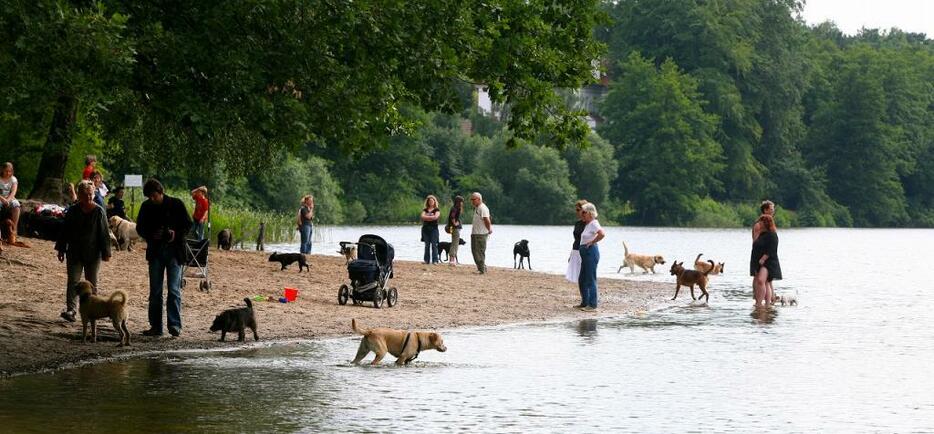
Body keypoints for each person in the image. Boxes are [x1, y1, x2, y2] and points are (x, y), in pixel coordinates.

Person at [136, 179, 192, 337]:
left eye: (153, 195)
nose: (152, 199)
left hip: (175, 252)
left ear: (161, 192)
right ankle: (156, 326)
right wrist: (151, 234)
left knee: (174, 290)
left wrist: (175, 234)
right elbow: (140, 227)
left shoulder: (176, 204)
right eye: (149, 196)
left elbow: (188, 225)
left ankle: (174, 325)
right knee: (155, 292)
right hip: (155, 252)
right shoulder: (146, 207)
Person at [54, 180, 112, 322]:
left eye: (91, 194)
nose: (89, 197)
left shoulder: (99, 211)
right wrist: (61, 248)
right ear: (79, 195)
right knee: (73, 282)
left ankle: (94, 309)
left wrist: (106, 252)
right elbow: (64, 231)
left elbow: (104, 233)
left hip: (93, 253)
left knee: (92, 283)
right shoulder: (73, 211)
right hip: (74, 252)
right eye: (85, 194)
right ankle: (71, 310)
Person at [578, 203, 605, 312]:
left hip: (591, 252)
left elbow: (602, 234)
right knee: (582, 279)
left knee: (590, 279)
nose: (582, 214)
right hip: (586, 253)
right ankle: (585, 302)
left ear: (590, 213)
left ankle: (592, 305)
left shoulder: (594, 223)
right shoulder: (588, 224)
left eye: (584, 212)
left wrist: (592, 242)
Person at [751, 214, 781, 307]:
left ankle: (761, 303)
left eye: (761, 222)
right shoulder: (761, 234)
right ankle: (762, 303)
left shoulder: (772, 235)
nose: (759, 224)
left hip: (769, 262)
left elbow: (772, 249)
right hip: (758, 261)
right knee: (763, 282)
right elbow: (755, 245)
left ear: (766, 223)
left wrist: (764, 258)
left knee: (761, 280)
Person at [752, 200, 777, 302]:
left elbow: (774, 241)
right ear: (765, 210)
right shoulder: (759, 224)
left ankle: (769, 302)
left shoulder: (770, 223)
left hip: (769, 255)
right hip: (759, 254)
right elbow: (755, 242)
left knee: (767, 281)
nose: (773, 211)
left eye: (773, 209)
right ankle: (760, 301)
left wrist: (767, 254)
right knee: (760, 279)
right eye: (771, 209)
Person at [566, 199, 588, 289]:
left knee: (586, 276)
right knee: (578, 276)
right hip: (575, 251)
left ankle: (589, 298)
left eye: (578, 210)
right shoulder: (577, 223)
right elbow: (576, 239)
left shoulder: (589, 223)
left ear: (584, 210)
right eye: (576, 210)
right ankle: (584, 299)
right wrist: (571, 254)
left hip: (585, 251)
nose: (577, 212)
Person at [469, 192, 492, 274]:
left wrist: (489, 229)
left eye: (473, 199)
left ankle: (481, 270)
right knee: (475, 251)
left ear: (479, 199)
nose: (472, 201)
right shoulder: (478, 208)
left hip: (480, 234)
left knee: (479, 252)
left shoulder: (482, 208)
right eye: (471, 199)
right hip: (476, 233)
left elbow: (487, 220)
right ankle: (482, 268)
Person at [0, 162, 21, 235]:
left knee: (16, 205)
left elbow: (13, 192)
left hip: (9, 198)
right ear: (2, 170)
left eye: (10, 171)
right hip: (0, 197)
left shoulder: (13, 179)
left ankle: (14, 229)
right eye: (6, 171)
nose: (8, 173)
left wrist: (8, 200)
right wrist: (3, 199)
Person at [420, 195, 441, 264]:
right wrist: (431, 216)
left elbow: (436, 217)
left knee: (434, 245)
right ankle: (426, 260)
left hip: (434, 229)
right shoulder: (425, 210)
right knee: (427, 245)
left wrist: (427, 217)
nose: (431, 202)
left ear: (434, 202)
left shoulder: (436, 210)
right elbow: (422, 216)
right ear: (428, 202)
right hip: (425, 229)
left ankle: (435, 260)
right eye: (429, 201)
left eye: (432, 201)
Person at [446, 195, 465, 266]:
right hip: (455, 228)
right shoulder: (455, 208)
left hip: (454, 228)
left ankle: (452, 260)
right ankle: (452, 260)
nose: (462, 203)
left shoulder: (455, 208)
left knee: (455, 243)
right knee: (455, 243)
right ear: (459, 202)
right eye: (461, 202)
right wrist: (455, 223)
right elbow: (452, 217)